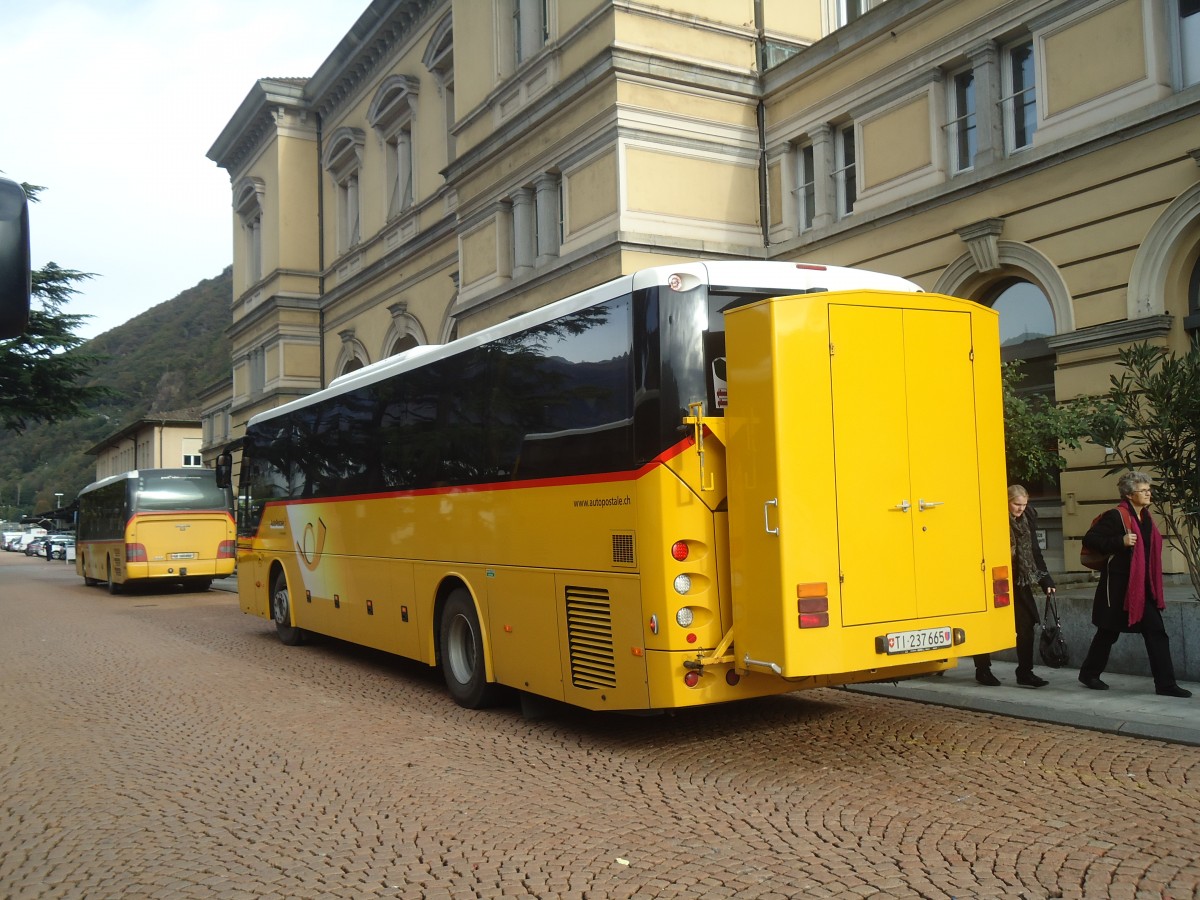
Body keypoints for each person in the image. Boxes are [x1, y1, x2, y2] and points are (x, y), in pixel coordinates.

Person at [1077, 471, 1191, 698]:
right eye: (1144, 490)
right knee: (1108, 632)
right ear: (1129, 494)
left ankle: (1166, 684)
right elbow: (1090, 539)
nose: (1149, 494)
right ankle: (1089, 673)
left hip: (1141, 587)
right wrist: (1119, 541)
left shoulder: (1146, 518)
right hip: (1118, 588)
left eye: (1149, 490)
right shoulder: (1116, 516)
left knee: (1156, 631)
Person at [974, 484, 1054, 687]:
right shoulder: (993, 519)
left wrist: (1045, 580)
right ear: (1006, 502)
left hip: (1019, 580)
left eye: (1024, 504)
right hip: (993, 578)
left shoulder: (1028, 518)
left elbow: (1034, 551)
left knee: (1026, 625)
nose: (1020, 509)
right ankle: (982, 669)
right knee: (986, 625)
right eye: (1016, 504)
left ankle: (1025, 672)